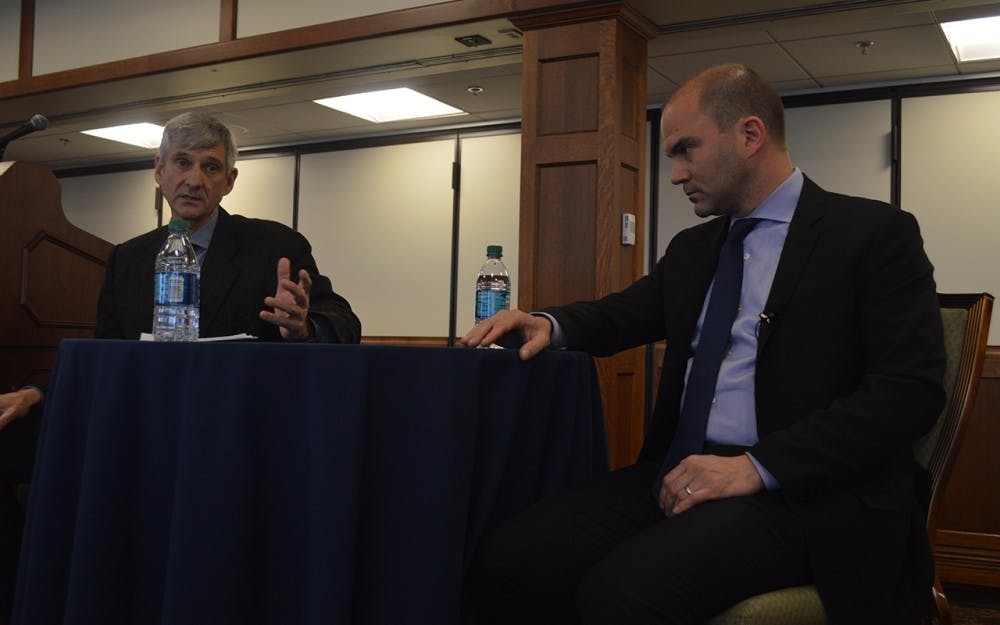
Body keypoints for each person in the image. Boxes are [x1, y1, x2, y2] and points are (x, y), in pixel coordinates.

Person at [462, 64, 945, 625]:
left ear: (750, 134)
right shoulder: (694, 248)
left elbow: (908, 391)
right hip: (682, 470)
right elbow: (625, 313)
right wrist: (549, 323)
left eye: (686, 150)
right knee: (508, 561)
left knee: (621, 595)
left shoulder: (871, 234)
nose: (675, 174)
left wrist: (757, 466)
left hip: (804, 491)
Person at [0, 111, 361, 616]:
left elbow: (342, 320)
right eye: (182, 163)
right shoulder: (128, 259)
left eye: (211, 167)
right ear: (159, 171)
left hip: (234, 441)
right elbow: (108, 355)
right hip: (144, 432)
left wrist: (304, 326)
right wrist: (38, 391)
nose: (194, 179)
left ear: (229, 181)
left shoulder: (273, 246)